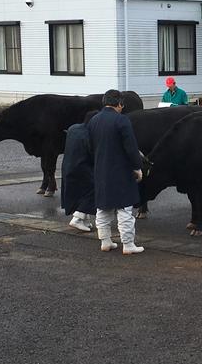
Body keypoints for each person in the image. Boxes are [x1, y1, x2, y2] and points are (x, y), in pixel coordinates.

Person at [87, 90, 145, 254]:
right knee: (124, 210)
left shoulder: (94, 121)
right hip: (121, 171)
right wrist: (137, 166)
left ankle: (105, 241)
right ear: (119, 104)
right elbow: (131, 148)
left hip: (101, 171)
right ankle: (128, 244)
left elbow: (90, 147)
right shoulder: (122, 121)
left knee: (103, 209)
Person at [61, 122, 95, 232]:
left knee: (79, 193)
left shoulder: (73, 128)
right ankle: (78, 218)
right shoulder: (90, 133)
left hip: (68, 164)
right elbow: (92, 151)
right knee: (93, 190)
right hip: (82, 166)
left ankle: (85, 220)